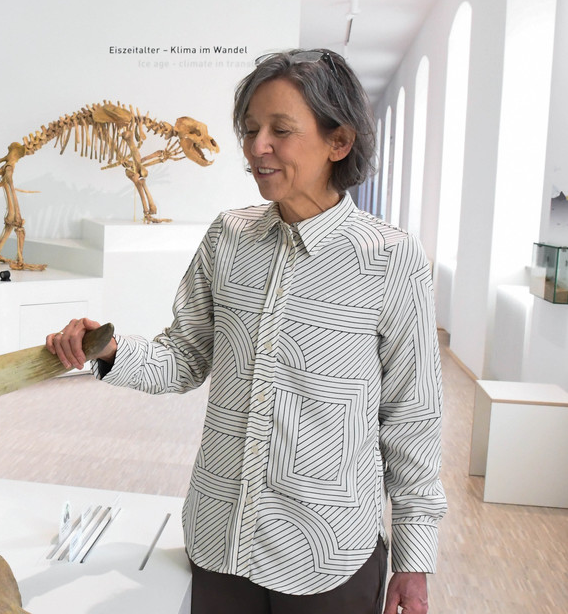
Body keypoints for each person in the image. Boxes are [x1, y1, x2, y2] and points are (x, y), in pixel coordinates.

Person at [46, 49, 446, 614]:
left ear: (339, 142)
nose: (258, 147)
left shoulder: (392, 259)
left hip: (327, 557)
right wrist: (108, 350)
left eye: (280, 130)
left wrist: (414, 556)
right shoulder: (228, 236)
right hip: (220, 544)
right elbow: (184, 355)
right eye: (251, 130)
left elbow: (413, 417)